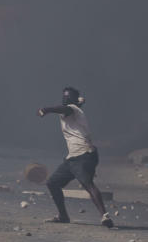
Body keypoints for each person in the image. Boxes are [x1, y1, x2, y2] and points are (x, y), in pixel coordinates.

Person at [38, 86, 114, 228]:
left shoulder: (71, 108)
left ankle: (105, 216)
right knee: (53, 183)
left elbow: (66, 108)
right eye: (64, 96)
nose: (65, 99)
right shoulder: (75, 108)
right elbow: (70, 106)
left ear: (72, 100)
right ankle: (63, 216)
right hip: (73, 158)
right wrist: (79, 102)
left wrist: (46, 109)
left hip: (83, 155)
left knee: (88, 184)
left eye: (68, 97)